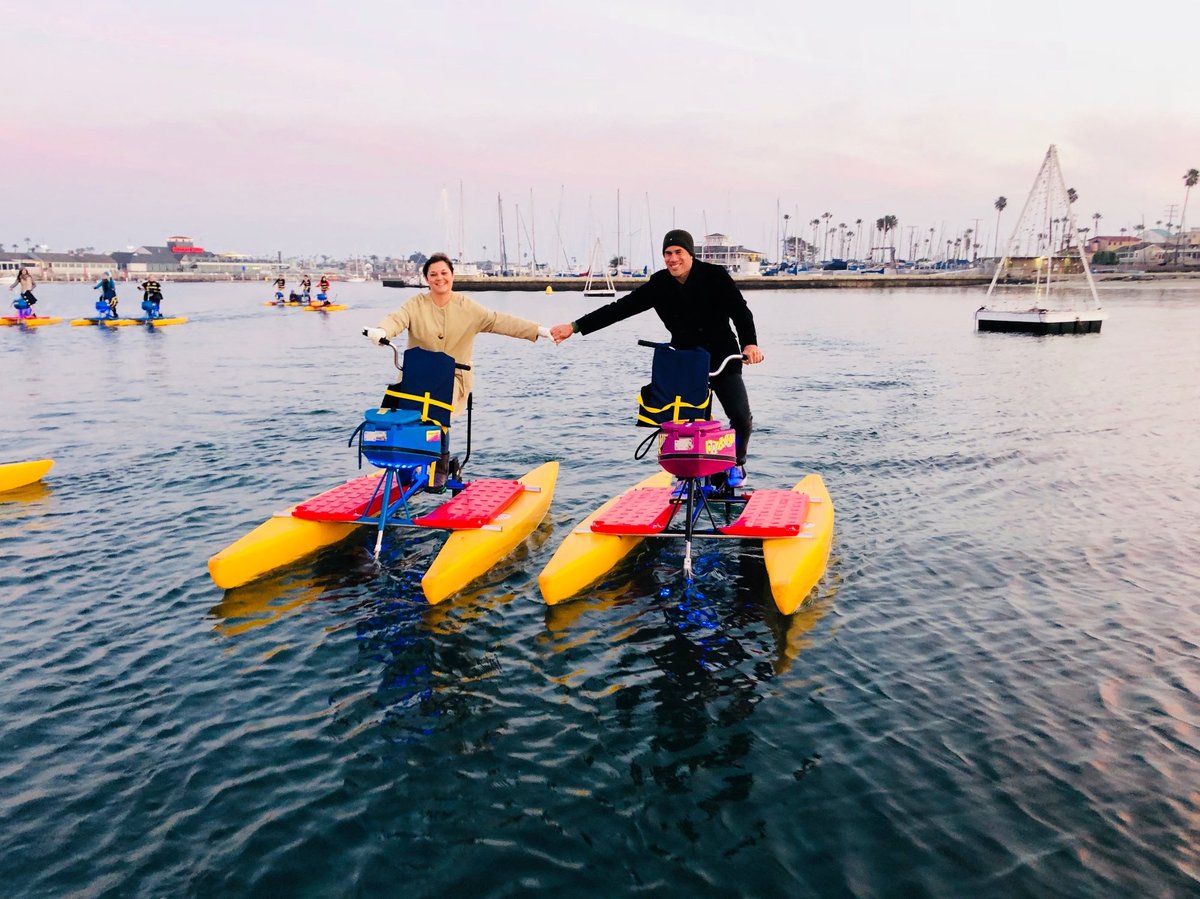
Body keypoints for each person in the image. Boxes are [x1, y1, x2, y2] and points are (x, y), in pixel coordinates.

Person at [549, 229, 763, 487]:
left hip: (723, 356)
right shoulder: (660, 284)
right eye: (667, 254)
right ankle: (689, 469)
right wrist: (575, 326)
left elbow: (741, 312)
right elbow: (620, 309)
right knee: (687, 423)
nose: (672, 259)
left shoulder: (714, 276)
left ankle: (736, 464)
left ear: (690, 254)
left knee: (740, 416)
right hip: (686, 361)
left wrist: (749, 344)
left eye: (678, 253)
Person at [364, 252, 553, 488]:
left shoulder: (468, 308)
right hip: (417, 376)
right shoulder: (415, 304)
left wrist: (539, 330)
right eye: (433, 274)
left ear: (452, 276)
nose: (439, 278)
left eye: (444, 273)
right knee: (397, 412)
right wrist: (381, 331)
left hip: (453, 377)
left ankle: (442, 464)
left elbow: (500, 321)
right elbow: (397, 318)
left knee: (436, 411)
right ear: (426, 279)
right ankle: (406, 461)